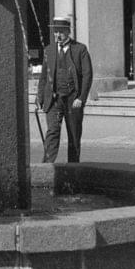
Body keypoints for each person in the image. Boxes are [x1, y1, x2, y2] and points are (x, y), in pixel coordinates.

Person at [36, 16, 93, 163]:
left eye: (61, 32)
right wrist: (40, 97)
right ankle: (47, 167)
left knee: (74, 135)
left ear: (68, 32)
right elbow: (43, 77)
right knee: (52, 132)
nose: (58, 35)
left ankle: (73, 169)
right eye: (55, 32)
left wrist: (81, 98)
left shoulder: (80, 49)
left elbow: (87, 75)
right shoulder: (49, 50)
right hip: (54, 100)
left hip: (73, 99)